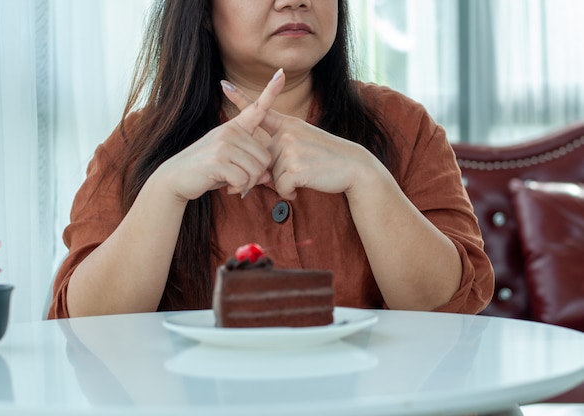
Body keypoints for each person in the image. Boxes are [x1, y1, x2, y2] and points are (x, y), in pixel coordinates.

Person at [48, 0, 494, 319]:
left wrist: (366, 176)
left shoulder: (404, 125)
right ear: (202, 11)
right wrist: (164, 192)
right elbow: (83, 326)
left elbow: (453, 306)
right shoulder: (137, 144)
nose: (294, 2)